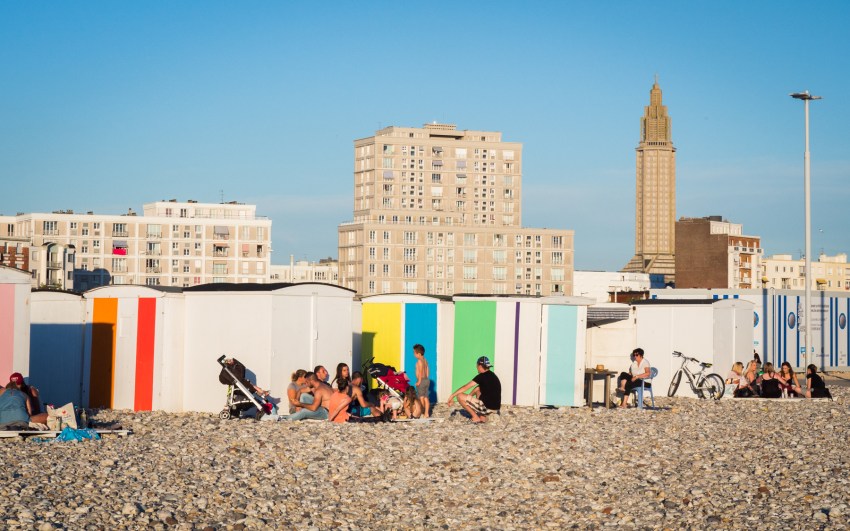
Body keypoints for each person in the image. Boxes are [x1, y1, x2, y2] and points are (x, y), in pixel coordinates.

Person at [447, 356, 501, 423]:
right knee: (478, 389)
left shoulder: (481, 376)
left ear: (480, 366)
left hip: (486, 408)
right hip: (495, 409)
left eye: (477, 365)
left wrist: (452, 396)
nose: (476, 367)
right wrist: (469, 397)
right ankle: (482, 417)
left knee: (460, 396)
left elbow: (465, 387)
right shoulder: (493, 376)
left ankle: (475, 417)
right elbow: (477, 388)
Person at [413, 344, 431, 418]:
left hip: (421, 381)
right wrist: (426, 378)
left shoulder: (419, 362)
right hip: (426, 380)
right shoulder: (425, 361)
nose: (414, 354)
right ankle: (427, 413)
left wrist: (419, 381)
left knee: (421, 397)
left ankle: (422, 412)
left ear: (419, 354)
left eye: (414, 353)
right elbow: (427, 371)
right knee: (426, 398)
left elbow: (420, 372)